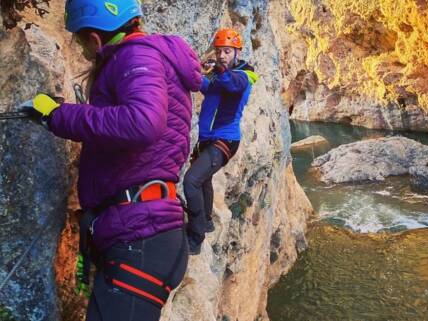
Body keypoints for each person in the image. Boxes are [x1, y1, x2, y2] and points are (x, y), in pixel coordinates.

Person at [21, 0, 202, 320]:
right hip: (146, 233)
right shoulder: (146, 56)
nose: (81, 49)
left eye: (79, 40)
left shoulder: (137, 55)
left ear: (94, 38)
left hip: (141, 240)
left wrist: (59, 116)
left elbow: (143, 122)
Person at [183, 28, 259, 255]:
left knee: (191, 181)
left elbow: (232, 84)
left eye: (227, 51)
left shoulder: (244, 76)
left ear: (237, 52)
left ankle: (195, 238)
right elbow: (207, 87)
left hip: (225, 140)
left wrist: (218, 68)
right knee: (203, 179)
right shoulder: (221, 75)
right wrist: (192, 71)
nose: (222, 55)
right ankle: (205, 221)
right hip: (208, 139)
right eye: (219, 51)